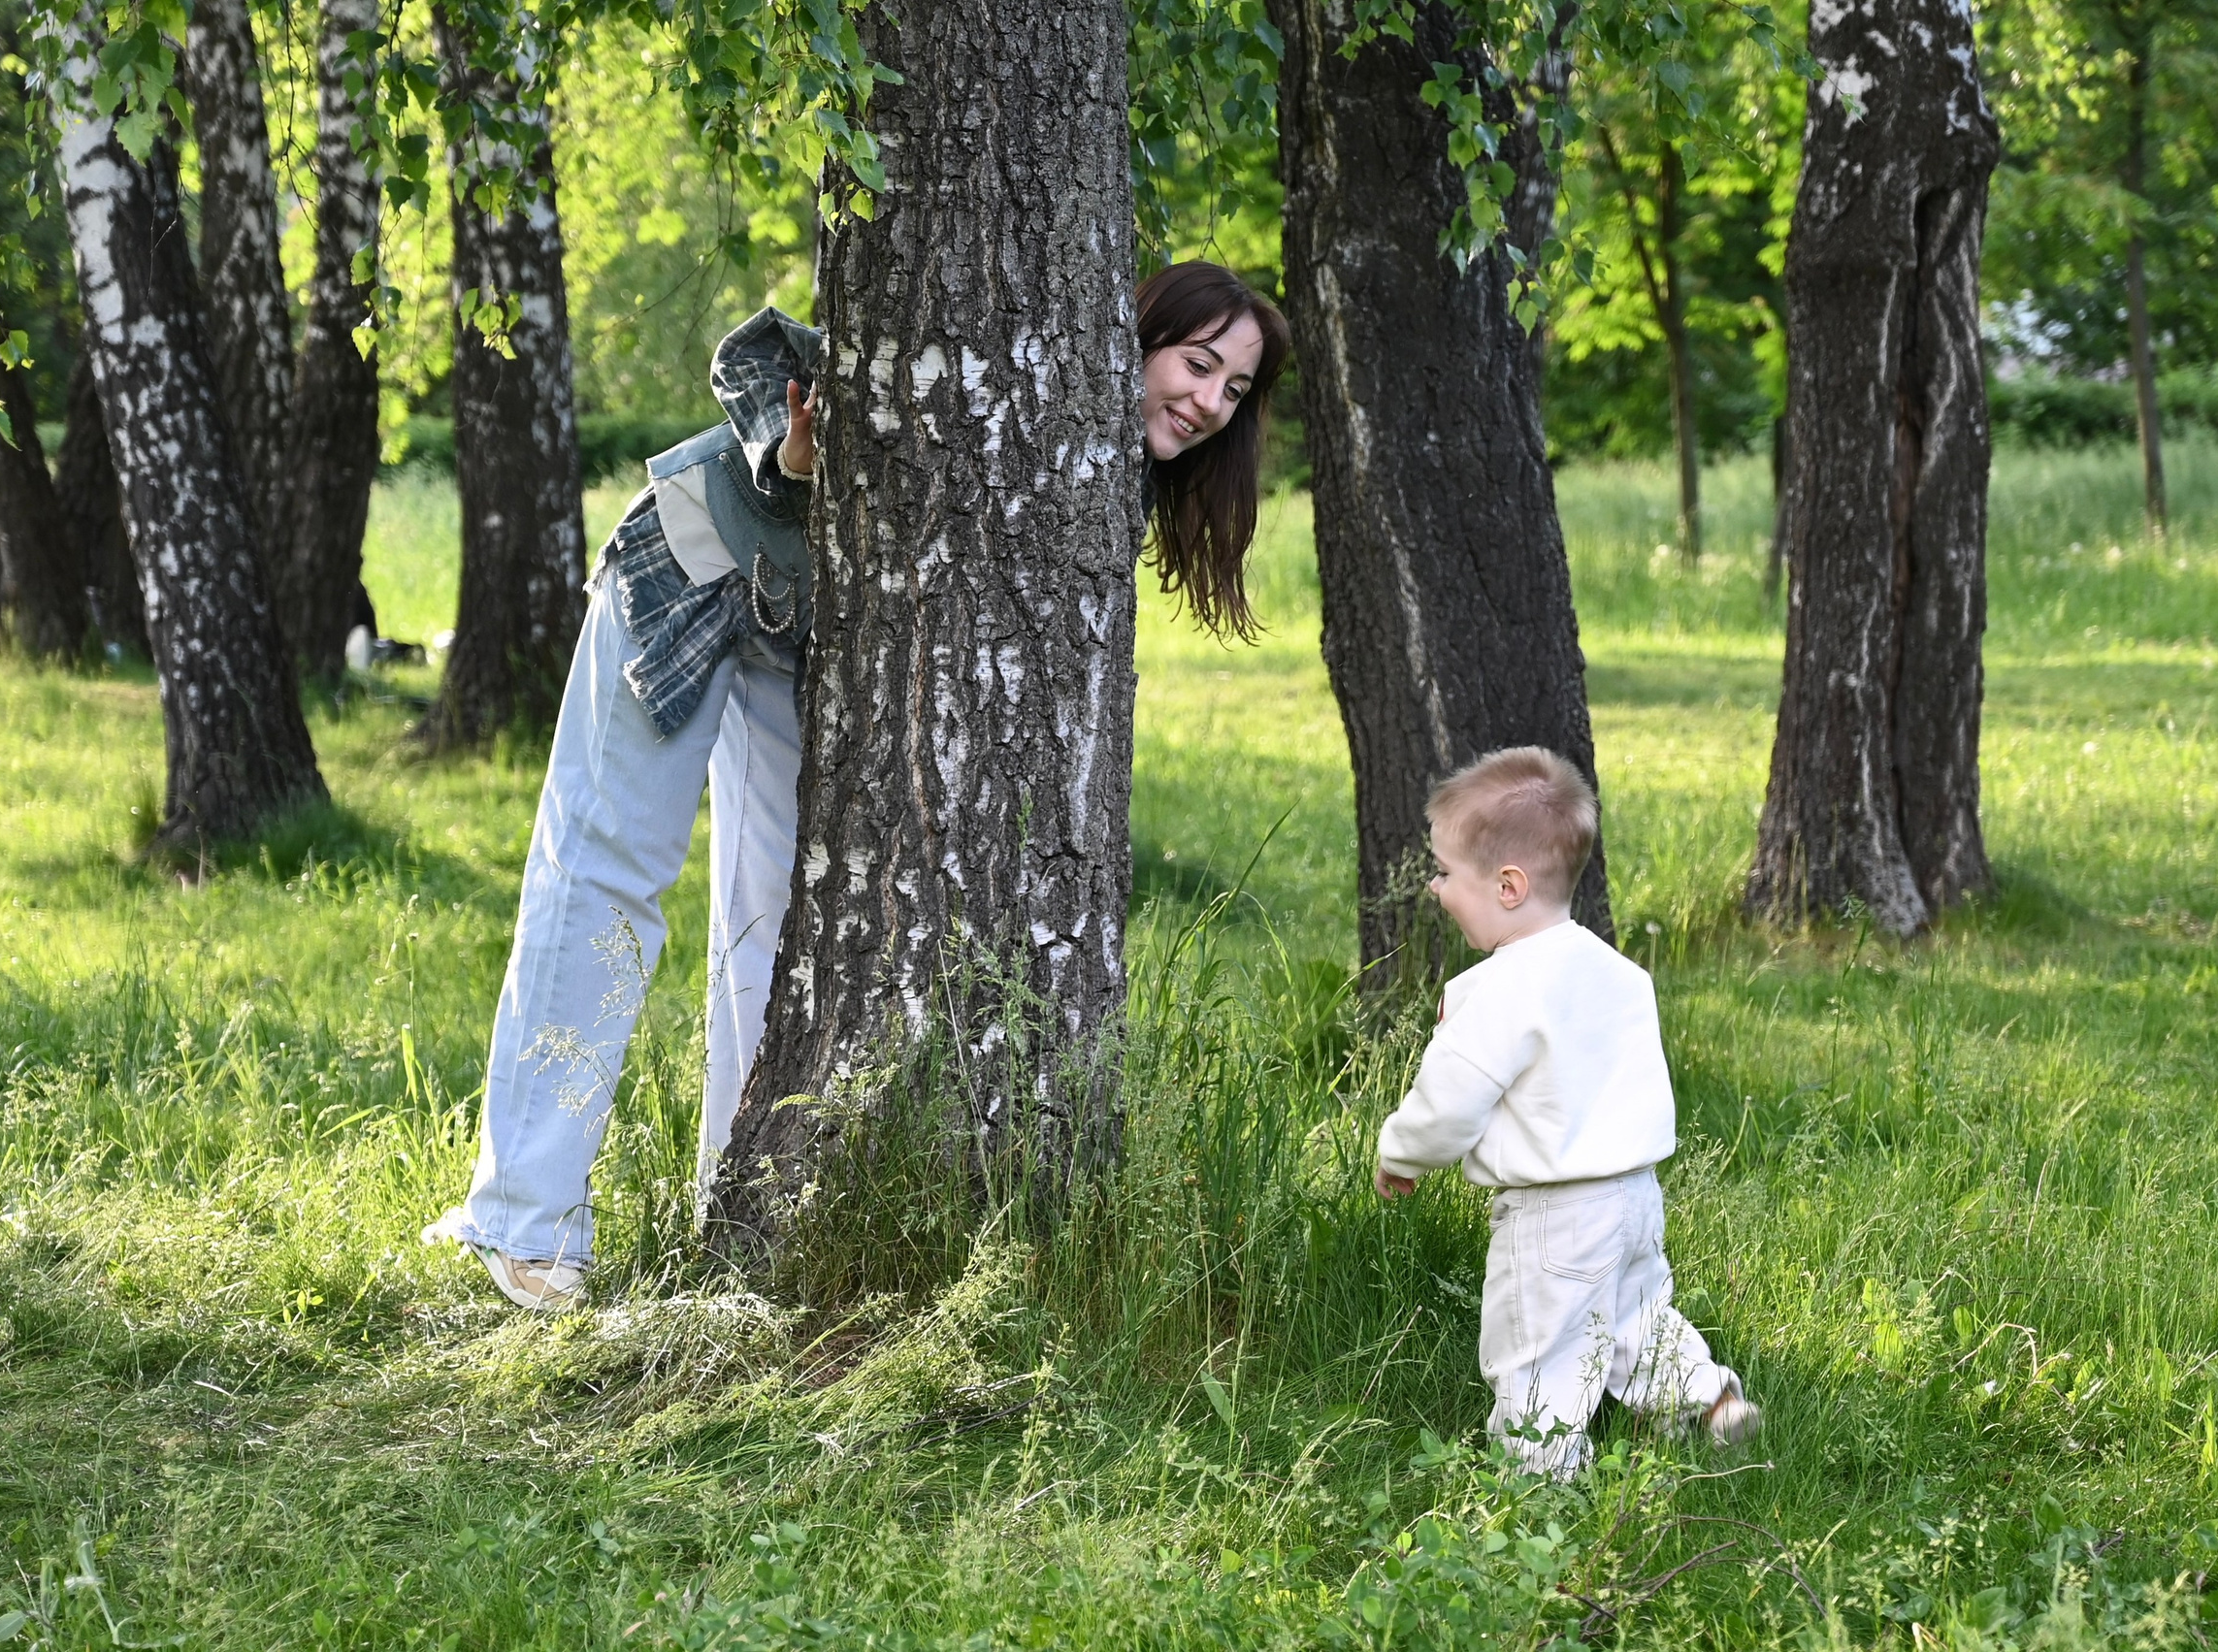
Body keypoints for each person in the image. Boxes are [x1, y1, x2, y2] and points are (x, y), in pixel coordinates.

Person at [426, 261, 1291, 1310]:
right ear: (1133, 336)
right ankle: (526, 1221)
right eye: (1196, 364)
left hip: (805, 635)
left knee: (787, 918)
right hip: (699, 557)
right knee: (604, 875)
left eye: (1234, 389)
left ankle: (733, 1210)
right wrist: (796, 460)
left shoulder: (1091, 464)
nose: (1207, 403)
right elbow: (783, 395)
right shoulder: (1012, 366)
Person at [1372, 747, 1761, 1475]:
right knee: (1636, 1319)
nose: (1437, 886)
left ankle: (1541, 1485)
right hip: (1634, 1195)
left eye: (1448, 873)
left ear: (1508, 885)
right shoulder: (1620, 974)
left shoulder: (1497, 990)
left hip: (1552, 1213)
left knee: (1537, 1349)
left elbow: (1449, 1102)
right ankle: (1711, 1401)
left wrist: (1401, 1153)